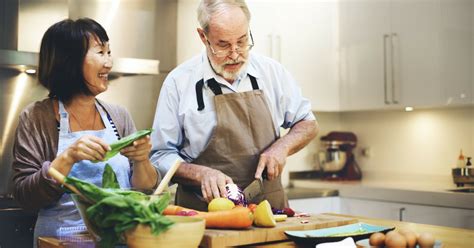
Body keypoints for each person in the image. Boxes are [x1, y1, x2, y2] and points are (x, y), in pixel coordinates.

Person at [150, 0, 319, 211]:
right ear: (203, 37)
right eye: (223, 45)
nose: (235, 53)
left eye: (242, 41)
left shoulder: (272, 72)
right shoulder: (178, 83)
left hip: (269, 211)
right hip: (203, 215)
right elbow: (159, 155)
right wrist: (200, 174)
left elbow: (307, 123)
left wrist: (281, 148)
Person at [11, 18, 159, 246]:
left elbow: (144, 189)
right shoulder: (36, 118)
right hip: (60, 240)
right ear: (69, 60)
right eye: (101, 52)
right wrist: (67, 158)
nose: (109, 63)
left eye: (109, 52)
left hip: (120, 239)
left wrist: (141, 161)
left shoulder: (118, 115)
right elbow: (24, 197)